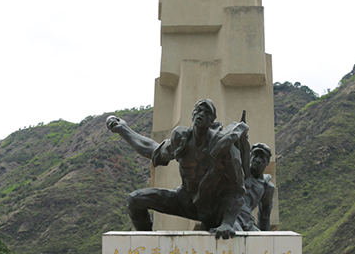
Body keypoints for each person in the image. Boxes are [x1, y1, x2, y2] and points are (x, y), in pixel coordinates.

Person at [106, 99, 249, 238]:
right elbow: (151, 149)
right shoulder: (182, 140)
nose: (201, 114)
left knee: (233, 238)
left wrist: (227, 223)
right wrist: (123, 129)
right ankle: (146, 244)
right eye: (198, 110)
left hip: (215, 209)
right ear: (192, 115)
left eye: (206, 112)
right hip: (185, 200)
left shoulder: (224, 148)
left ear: (212, 120)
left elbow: (236, 190)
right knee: (135, 200)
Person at [235, 142, 275, 231]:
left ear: (267, 162)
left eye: (262, 157)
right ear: (250, 157)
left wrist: (265, 237)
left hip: (247, 221)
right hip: (233, 216)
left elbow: (264, 216)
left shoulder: (267, 186)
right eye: (256, 155)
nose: (258, 160)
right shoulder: (240, 173)